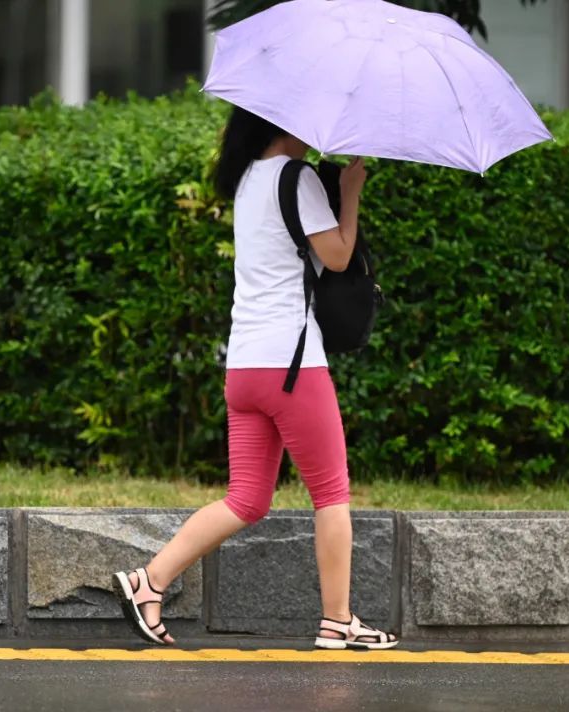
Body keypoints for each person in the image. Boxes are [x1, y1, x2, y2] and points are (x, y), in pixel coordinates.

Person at [112, 106, 398, 651]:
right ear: (288, 123)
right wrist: (352, 189)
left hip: (244, 365)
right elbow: (337, 259)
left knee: (246, 499)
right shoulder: (299, 176)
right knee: (332, 493)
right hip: (293, 366)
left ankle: (148, 583)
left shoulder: (247, 179)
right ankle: (338, 623)